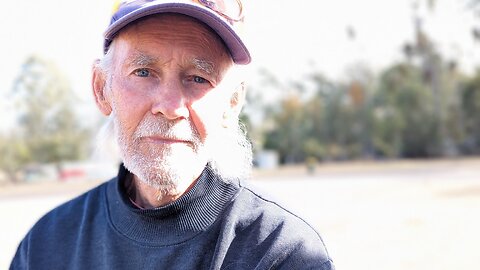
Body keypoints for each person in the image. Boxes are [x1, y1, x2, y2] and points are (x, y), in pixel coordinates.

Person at [10, 0, 334, 269]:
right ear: (101, 88)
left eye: (197, 78)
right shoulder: (46, 246)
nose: (170, 107)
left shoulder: (282, 253)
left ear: (231, 104)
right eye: (143, 72)